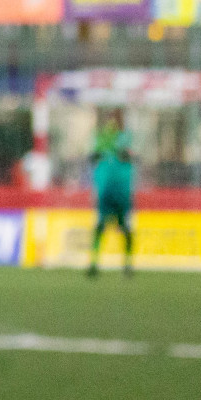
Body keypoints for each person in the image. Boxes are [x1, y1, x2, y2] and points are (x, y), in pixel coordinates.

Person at [87, 109, 135, 277]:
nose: (111, 123)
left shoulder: (126, 138)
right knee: (99, 227)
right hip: (105, 192)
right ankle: (94, 263)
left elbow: (129, 155)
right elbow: (91, 158)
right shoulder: (99, 139)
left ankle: (128, 264)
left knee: (126, 228)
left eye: (114, 119)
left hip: (122, 192)